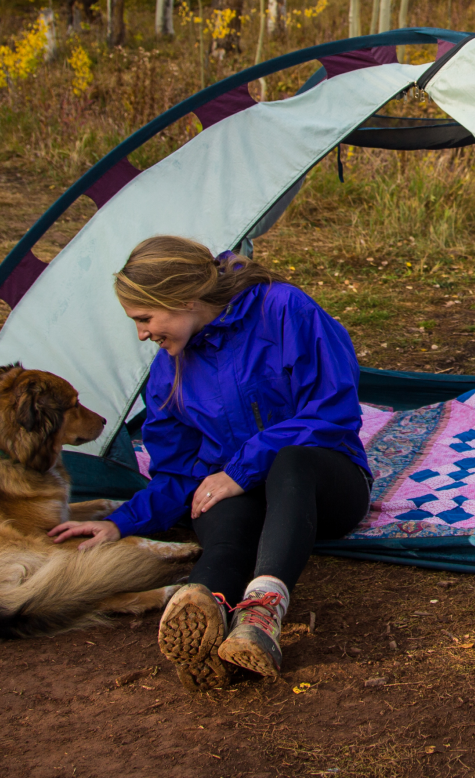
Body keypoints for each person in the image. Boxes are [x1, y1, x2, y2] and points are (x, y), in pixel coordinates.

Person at [49, 235, 371, 691]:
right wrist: (121, 522)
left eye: (144, 319)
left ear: (183, 300)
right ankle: (205, 612)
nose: (142, 334)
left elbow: (333, 411)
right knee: (213, 514)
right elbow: (177, 470)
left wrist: (239, 471)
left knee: (290, 461)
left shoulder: (283, 310)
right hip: (237, 490)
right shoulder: (169, 367)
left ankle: (261, 615)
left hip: (323, 484)